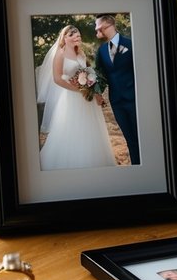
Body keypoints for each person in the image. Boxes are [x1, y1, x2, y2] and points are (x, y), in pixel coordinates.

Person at [36, 25, 118, 170]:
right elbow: (57, 78)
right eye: (72, 34)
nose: (77, 36)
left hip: (88, 98)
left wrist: (96, 94)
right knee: (72, 127)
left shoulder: (81, 54)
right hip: (70, 98)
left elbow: (88, 74)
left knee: (90, 128)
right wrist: (79, 90)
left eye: (78, 34)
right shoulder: (60, 54)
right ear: (65, 38)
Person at [94, 15, 140, 165]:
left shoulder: (132, 44)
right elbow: (100, 74)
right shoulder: (101, 51)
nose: (96, 29)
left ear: (108, 24)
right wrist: (97, 92)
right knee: (130, 140)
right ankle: (137, 169)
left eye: (98, 26)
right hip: (116, 101)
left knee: (142, 138)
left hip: (136, 99)